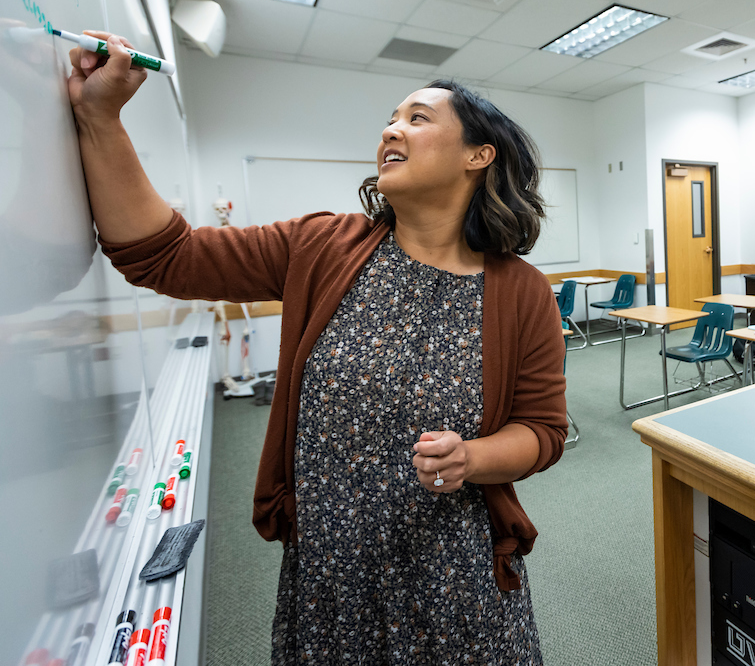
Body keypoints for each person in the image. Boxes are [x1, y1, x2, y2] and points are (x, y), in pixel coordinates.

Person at [68, 32, 568, 664]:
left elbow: (543, 430)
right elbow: (164, 256)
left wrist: (470, 457)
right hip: (332, 577)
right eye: (389, 119)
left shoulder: (520, 291)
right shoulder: (322, 247)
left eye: (417, 118)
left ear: (478, 156)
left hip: (456, 580)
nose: (391, 130)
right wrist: (100, 116)